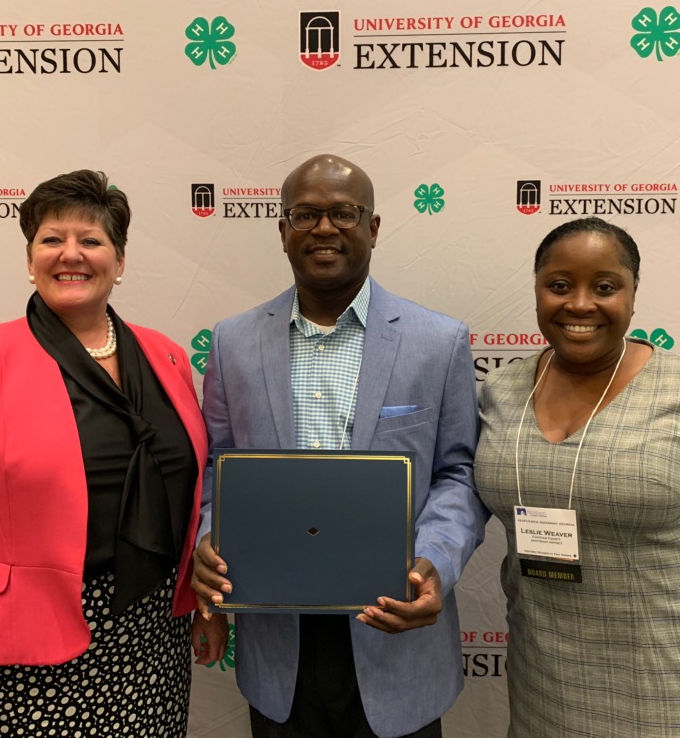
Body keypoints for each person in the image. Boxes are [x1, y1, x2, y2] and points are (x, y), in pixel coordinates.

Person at [0, 169, 227, 738]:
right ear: (30, 258)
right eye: (52, 240)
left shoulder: (167, 356)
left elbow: (190, 490)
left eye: (91, 241)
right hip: (28, 652)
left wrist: (203, 602)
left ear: (119, 262)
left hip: (152, 639)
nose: (70, 254)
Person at [190, 154, 489, 738]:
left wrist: (434, 561)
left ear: (372, 228)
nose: (324, 228)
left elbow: (458, 472)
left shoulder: (438, 341)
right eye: (305, 215)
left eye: (344, 213)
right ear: (282, 232)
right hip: (277, 635)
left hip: (392, 626)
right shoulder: (233, 342)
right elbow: (217, 466)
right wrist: (208, 537)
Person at [474, 217, 680, 738]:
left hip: (676, 676)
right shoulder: (502, 391)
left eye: (604, 287)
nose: (579, 304)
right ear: (536, 291)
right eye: (558, 286)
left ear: (633, 295)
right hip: (545, 681)